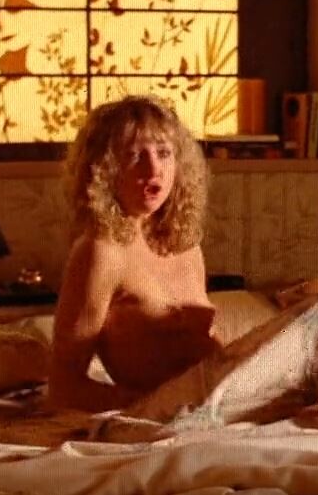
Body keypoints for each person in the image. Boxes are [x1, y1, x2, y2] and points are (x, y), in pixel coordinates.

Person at [48, 95, 219, 412]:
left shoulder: (185, 245)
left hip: (224, 399)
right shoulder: (101, 252)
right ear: (104, 170)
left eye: (164, 153)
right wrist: (154, 407)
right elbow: (63, 389)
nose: (154, 169)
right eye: (134, 155)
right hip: (173, 416)